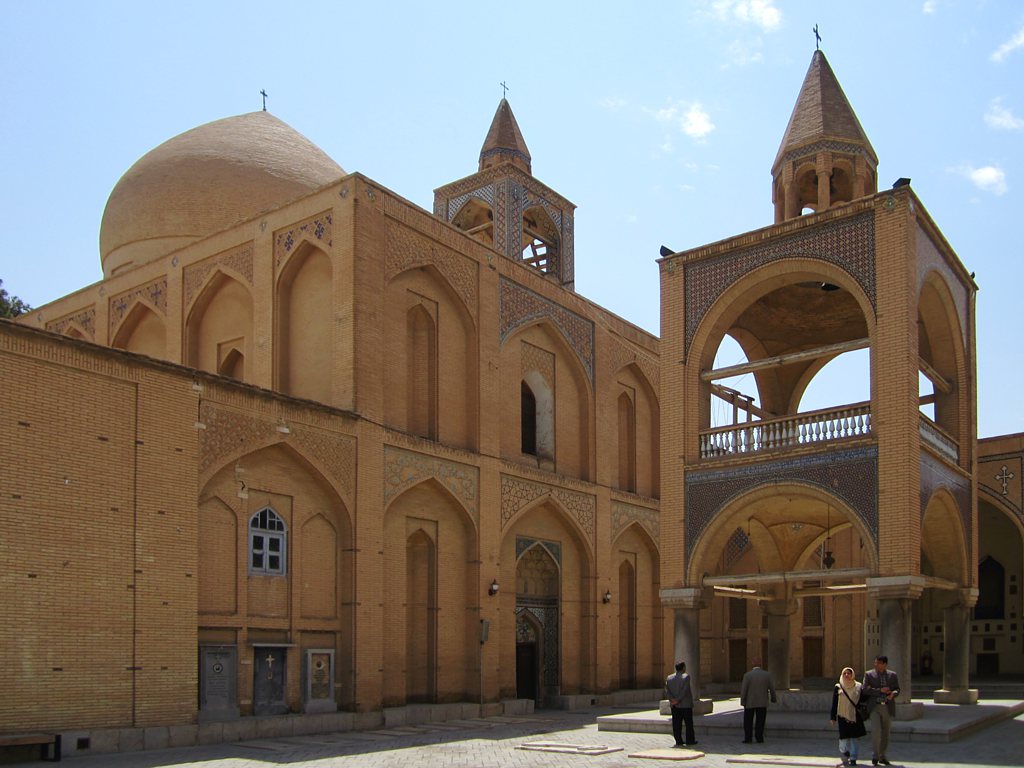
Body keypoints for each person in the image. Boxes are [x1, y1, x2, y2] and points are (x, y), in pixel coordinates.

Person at [862, 655, 900, 766]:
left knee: (886, 733)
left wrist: (893, 694)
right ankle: (875, 754)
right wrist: (879, 690)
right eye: (875, 662)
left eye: (878, 663)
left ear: (884, 664)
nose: (876, 665)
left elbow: (897, 689)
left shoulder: (892, 675)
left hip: (887, 706)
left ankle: (882, 755)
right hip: (874, 707)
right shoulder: (869, 674)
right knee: (876, 731)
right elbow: (865, 690)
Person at [830, 667, 867, 766]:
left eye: (849, 673)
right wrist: (833, 717)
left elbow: (863, 699)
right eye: (845, 673)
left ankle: (853, 757)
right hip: (842, 716)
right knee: (843, 740)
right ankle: (845, 751)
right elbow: (834, 703)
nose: (847, 675)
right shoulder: (838, 687)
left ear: (852, 675)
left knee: (854, 738)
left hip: (854, 716)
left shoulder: (859, 686)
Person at [740, 658, 775, 744]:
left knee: (748, 720)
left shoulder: (747, 675)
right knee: (761, 720)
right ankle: (759, 737)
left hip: (750, 701)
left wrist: (743, 700)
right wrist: (773, 698)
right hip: (762, 701)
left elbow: (744, 689)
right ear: (761, 664)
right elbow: (772, 688)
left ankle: (748, 738)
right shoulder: (767, 675)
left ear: (752, 664)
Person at [665, 660, 697, 747]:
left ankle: (678, 740)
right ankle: (690, 740)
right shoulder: (686, 677)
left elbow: (667, 691)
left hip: (674, 706)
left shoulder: (669, 678)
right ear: (683, 668)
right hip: (685, 705)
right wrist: (678, 699)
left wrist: (672, 700)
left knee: (676, 724)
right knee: (688, 723)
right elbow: (684, 690)